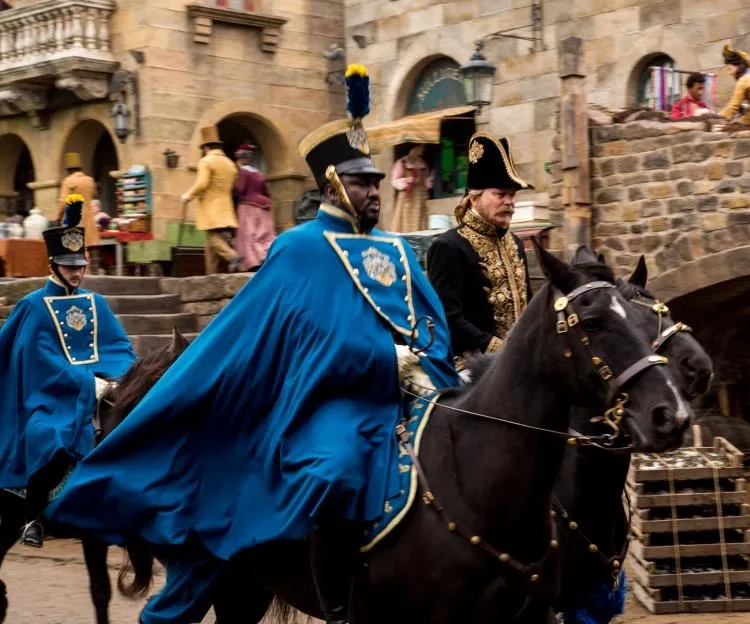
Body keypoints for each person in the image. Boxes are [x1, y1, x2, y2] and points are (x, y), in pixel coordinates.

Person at [45, 64, 459, 624]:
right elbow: (303, 344)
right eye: (363, 182)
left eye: (376, 182)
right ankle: (341, 602)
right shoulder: (300, 249)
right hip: (330, 399)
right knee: (331, 469)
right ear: (334, 182)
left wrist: (425, 358)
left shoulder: (398, 248)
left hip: (411, 393)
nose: (374, 191)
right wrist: (385, 358)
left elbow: (430, 318)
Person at [0, 194, 135, 548]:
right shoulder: (33, 306)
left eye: (80, 264)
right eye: (69, 265)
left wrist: (119, 377)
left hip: (102, 385)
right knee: (51, 434)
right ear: (53, 264)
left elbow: (117, 345)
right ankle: (32, 517)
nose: (77, 271)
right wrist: (85, 383)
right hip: (50, 394)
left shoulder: (96, 302)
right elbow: (38, 358)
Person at [426, 132, 533, 367]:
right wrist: (499, 348)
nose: (509, 202)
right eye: (500, 194)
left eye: (512, 195)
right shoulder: (448, 247)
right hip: (470, 367)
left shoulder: (515, 244)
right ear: (474, 198)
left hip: (518, 363)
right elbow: (449, 318)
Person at [182, 126, 241, 274]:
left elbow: (202, 183)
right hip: (226, 207)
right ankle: (211, 274)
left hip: (211, 206)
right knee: (209, 243)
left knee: (214, 240)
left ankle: (232, 256)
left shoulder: (206, 161)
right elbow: (234, 186)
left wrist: (188, 196)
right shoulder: (230, 164)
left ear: (206, 148)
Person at [233, 143, 275, 271]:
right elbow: (266, 191)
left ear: (241, 158)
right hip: (265, 206)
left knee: (249, 233)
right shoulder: (259, 173)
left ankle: (252, 262)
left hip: (248, 206)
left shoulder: (243, 172)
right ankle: (267, 257)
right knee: (263, 234)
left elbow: (241, 189)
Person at [56, 152, 98, 248]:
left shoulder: (68, 182)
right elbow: (94, 195)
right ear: (80, 168)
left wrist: (58, 218)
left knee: (75, 251)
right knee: (89, 249)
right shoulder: (89, 180)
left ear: (68, 170)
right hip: (89, 221)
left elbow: (63, 202)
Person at [389, 143, 434, 232]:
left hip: (420, 197)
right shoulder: (402, 162)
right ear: (414, 147)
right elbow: (394, 181)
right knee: (406, 222)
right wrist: (406, 180)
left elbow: (427, 181)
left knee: (420, 222)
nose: (423, 149)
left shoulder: (423, 163)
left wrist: (427, 181)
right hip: (407, 198)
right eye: (421, 146)